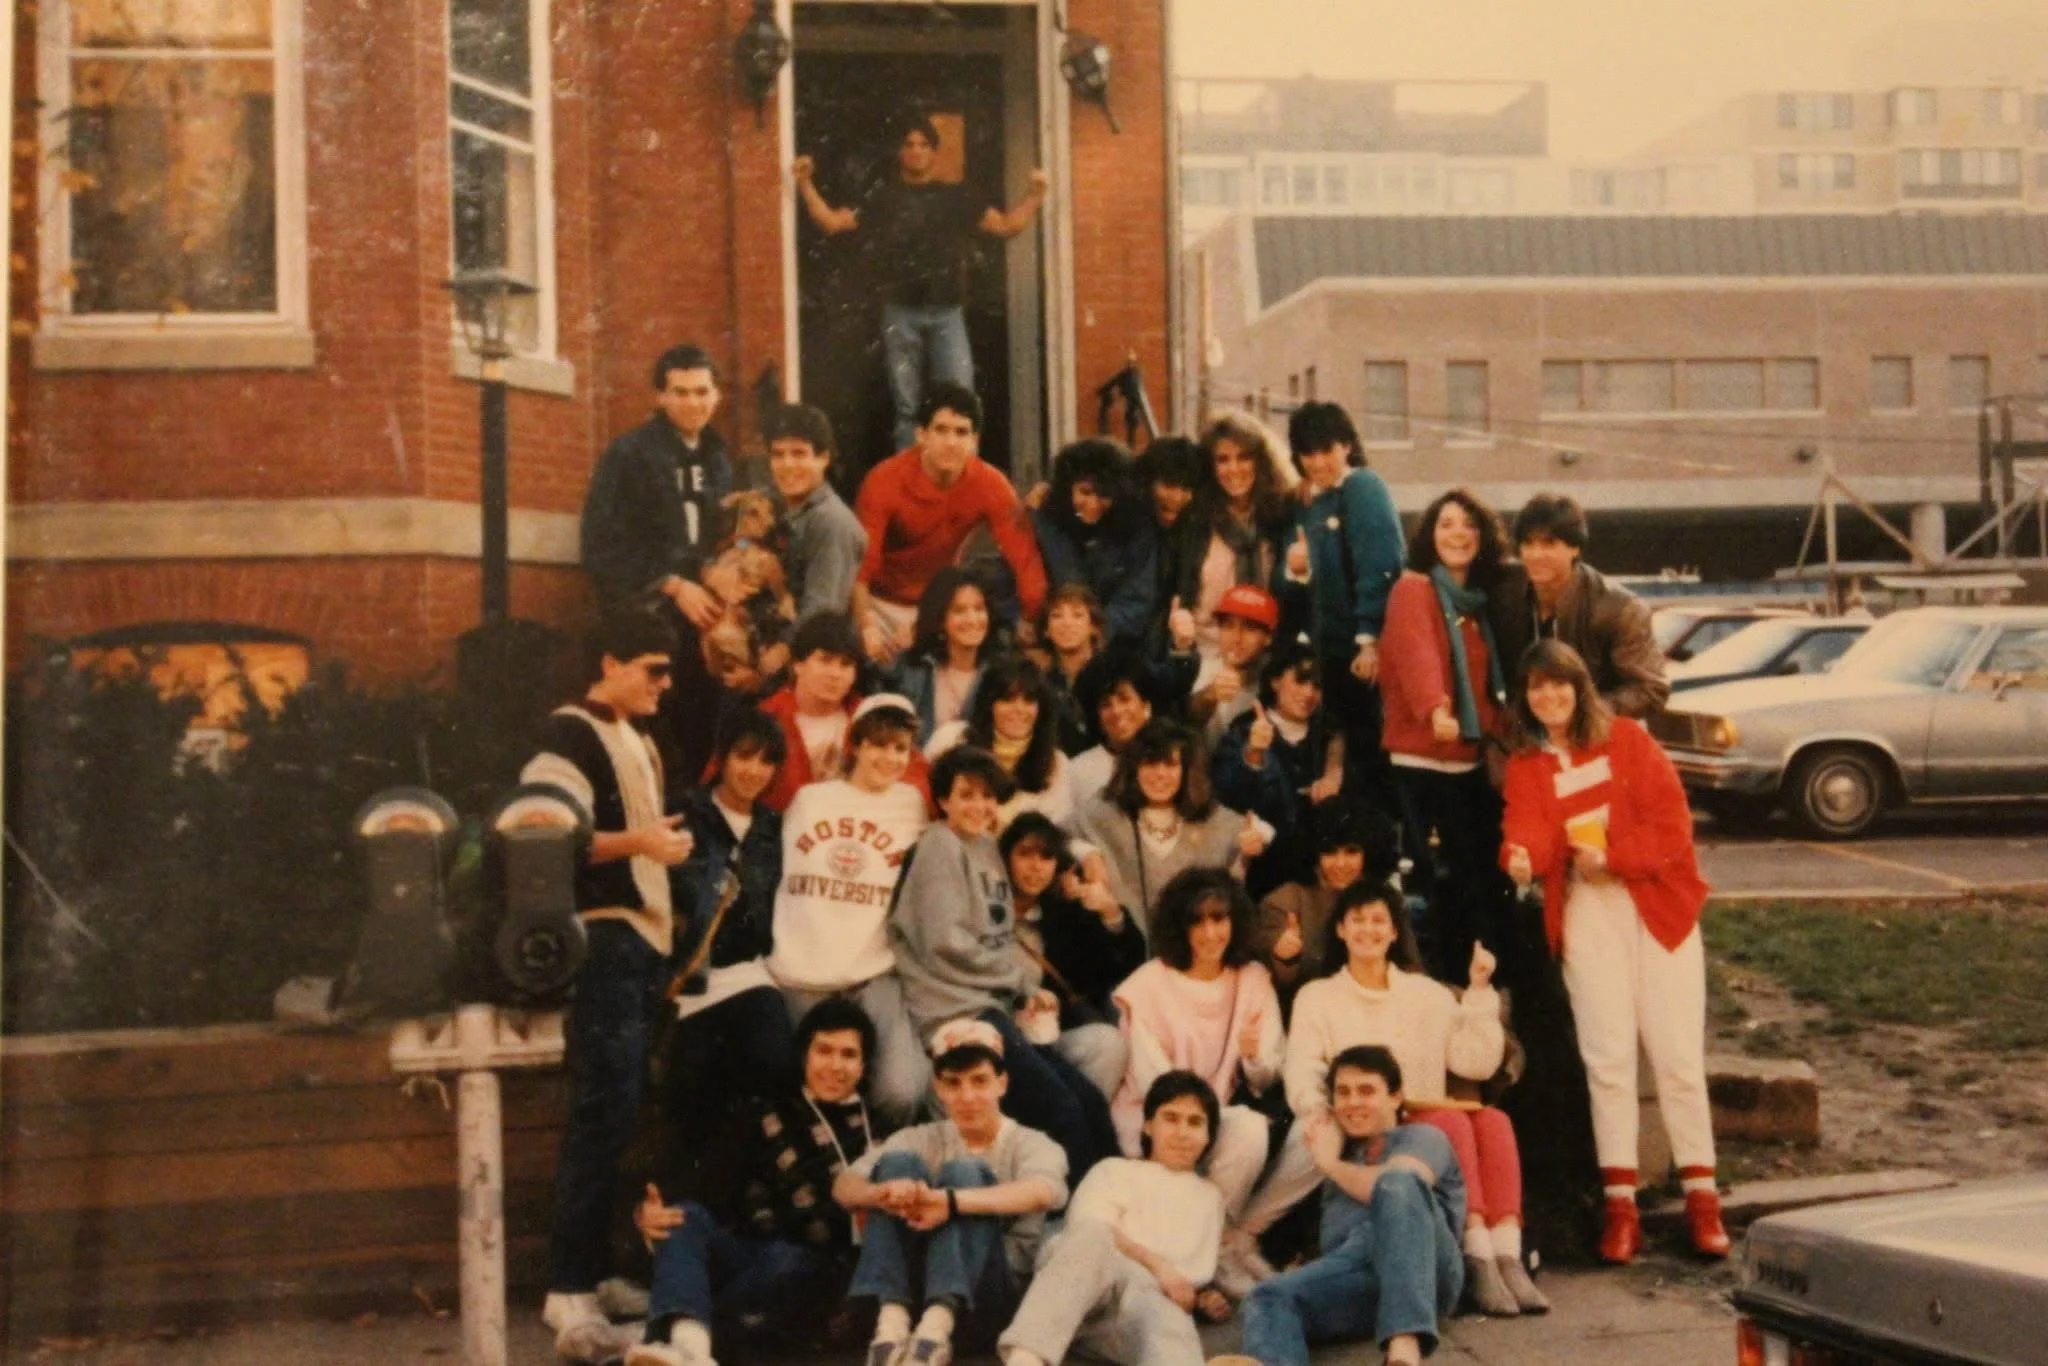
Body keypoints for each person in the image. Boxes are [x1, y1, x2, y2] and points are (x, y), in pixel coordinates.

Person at [1499, 639, 1727, 1263]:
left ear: (1579, 686)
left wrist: (1615, 857)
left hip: (1656, 906)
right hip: (1587, 913)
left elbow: (1672, 827)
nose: (1548, 697)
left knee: (1677, 1056)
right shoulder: (1527, 763)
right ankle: (1620, 1208)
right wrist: (1520, 857)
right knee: (1607, 1060)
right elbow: (1527, 830)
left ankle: (1704, 1203)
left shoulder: (1628, 740)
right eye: (1536, 687)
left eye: (1559, 684)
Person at [522, 609, 697, 1364]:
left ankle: (596, 1272)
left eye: (669, 670)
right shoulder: (567, 734)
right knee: (604, 1109)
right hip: (606, 940)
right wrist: (642, 843)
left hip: (645, 945)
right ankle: (568, 1287)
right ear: (608, 662)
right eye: (652, 669)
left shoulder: (642, 738)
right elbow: (541, 835)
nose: (665, 683)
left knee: (628, 1111)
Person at [1282, 882, 1545, 1317]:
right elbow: (1302, 1068)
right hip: (1367, 1122)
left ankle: (1507, 1254)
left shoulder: (1426, 994)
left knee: (1494, 1121)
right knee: (1451, 1122)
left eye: (1378, 920)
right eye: (1358, 920)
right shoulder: (1318, 996)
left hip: (1427, 1118)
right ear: (1342, 930)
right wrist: (1321, 1111)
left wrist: (1479, 991)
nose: (1368, 929)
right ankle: (1475, 1253)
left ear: (1393, 932)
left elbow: (1475, 1063)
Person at [890, 746, 1116, 1181]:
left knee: (1087, 1098)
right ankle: (1074, 1217)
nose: (979, 806)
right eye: (966, 795)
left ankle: (1118, 1196)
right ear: (943, 799)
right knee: (1061, 1108)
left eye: (988, 796)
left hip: (991, 1005)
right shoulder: (940, 844)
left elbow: (1037, 851)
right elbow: (946, 943)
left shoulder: (988, 848)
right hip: (954, 1008)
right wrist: (1017, 981)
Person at [626, 999, 880, 1366]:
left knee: (789, 1262)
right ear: (804, 1055)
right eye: (823, 1050)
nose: (835, 1065)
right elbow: (703, 1184)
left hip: (819, 1279)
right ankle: (690, 1350)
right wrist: (647, 1213)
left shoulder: (880, 1131)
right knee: (684, 1216)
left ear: (863, 1065)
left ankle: (674, 1328)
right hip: (750, 1260)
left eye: (848, 1054)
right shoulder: (764, 1114)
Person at [1108, 869, 1321, 1301]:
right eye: (1198, 921)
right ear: (1180, 927)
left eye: (1219, 919)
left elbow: (1266, 1075)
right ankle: (1213, 1256)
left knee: (1320, 1135)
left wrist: (1252, 1056)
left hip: (1222, 1129)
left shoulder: (1253, 978)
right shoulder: (1149, 982)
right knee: (1244, 1127)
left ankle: (1230, 1239)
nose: (1210, 933)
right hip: (1160, 1124)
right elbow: (1158, 1088)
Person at [793, 117, 1049, 450]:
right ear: (899, 152)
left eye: (924, 144)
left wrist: (1036, 195)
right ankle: (909, 481)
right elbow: (831, 223)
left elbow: (1005, 226)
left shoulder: (956, 196)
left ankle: (962, 479)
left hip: (947, 313)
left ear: (934, 152)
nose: (916, 151)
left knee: (961, 400)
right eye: (909, 144)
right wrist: (805, 183)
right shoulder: (882, 197)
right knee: (907, 407)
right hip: (900, 314)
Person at [835, 1019, 1068, 1366]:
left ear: (1001, 1083)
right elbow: (845, 1186)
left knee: (964, 1173)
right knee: (897, 1163)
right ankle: (891, 1327)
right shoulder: (921, 1137)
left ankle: (934, 1331)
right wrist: (884, 1193)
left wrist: (949, 1201)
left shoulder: (1032, 1143)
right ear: (938, 1088)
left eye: (980, 1081)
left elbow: (1042, 1192)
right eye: (953, 1084)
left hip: (989, 1298)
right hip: (915, 1291)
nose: (967, 1097)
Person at [1238, 1046, 1466, 1366]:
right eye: (1342, 1092)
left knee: (1396, 1181)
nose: (1353, 1101)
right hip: (1357, 1277)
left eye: (1366, 1090)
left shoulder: (1423, 1136)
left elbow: (1393, 1186)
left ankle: (1404, 1348)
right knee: (1267, 1295)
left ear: (1396, 1097)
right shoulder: (1340, 1154)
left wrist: (1329, 1164)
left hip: (1427, 1271)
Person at [768, 694, 933, 1126]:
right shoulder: (809, 800)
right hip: (802, 975)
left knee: (902, 1092)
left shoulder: (913, 805)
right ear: (855, 745)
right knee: (799, 1098)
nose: (890, 757)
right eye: (879, 744)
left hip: (871, 972)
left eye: (900, 748)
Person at [579, 344, 737, 785]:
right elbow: (599, 545)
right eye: (681, 392)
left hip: (703, 619)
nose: (693, 402)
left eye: (701, 391)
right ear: (660, 397)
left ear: (717, 395)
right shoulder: (628, 455)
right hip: (647, 618)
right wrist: (670, 584)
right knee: (649, 734)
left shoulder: (719, 460)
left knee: (705, 726)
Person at [997, 1071, 1230, 1366]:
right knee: (1093, 1237)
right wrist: (1160, 1267)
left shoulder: (1211, 1199)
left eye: (1195, 1122)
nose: (1183, 1132)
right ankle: (1025, 1359)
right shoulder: (1115, 1170)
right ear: (1148, 1126)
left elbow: (1189, 1275)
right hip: (1081, 1289)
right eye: (1171, 1118)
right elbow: (1090, 1231)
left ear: (1208, 1135)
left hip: (1144, 1305)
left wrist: (1202, 1296)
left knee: (1172, 1320)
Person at [1379, 487, 1516, 986]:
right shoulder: (1414, 589)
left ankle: (1478, 995)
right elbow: (1418, 655)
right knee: (1433, 891)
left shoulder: (1477, 605)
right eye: (1447, 524)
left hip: (1469, 766)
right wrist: (1435, 707)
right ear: (1429, 536)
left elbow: (1487, 689)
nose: (1459, 534)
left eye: (1470, 525)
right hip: (1423, 764)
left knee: (1475, 888)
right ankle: (1435, 992)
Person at [660, 710, 796, 1131]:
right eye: (743, 757)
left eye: (766, 761)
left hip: (747, 973)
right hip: (685, 977)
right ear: (721, 757)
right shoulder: (682, 812)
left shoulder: (774, 828)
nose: (754, 771)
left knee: (773, 1063)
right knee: (693, 1085)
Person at [852, 383, 1049, 663]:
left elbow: (1024, 559)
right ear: (921, 435)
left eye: (961, 432)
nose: (951, 442)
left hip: (939, 604)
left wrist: (1030, 623)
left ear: (974, 440)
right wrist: (868, 629)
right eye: (941, 430)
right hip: (877, 602)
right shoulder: (884, 480)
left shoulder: (990, 483)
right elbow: (859, 572)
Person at [1283, 401, 1406, 811]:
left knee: (1369, 751)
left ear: (1347, 446)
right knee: (1341, 747)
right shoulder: (1312, 501)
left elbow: (1380, 566)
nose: (1317, 461)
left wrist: (1368, 639)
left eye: (1325, 449)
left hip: (1364, 651)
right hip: (1331, 651)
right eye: (1307, 453)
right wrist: (1298, 570)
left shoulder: (1363, 486)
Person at [1070, 720, 1269, 934]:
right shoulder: (1106, 812)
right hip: (1125, 948)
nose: (1160, 774)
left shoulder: (1211, 817)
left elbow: (1260, 830)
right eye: (1150, 764)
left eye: (1170, 765)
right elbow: (1060, 834)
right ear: (1134, 766)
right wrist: (1086, 852)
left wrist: (1257, 841)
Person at [1487, 493, 1668, 720]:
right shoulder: (1506, 592)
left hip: (1599, 732)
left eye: (1549, 543)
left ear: (1575, 548)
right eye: (1528, 543)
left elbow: (1651, 689)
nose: (1536, 554)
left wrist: (1580, 716)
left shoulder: (1619, 608)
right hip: (1527, 736)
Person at [1001, 814, 1144, 1099]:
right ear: (1006, 859)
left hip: (1046, 1037)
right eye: (1025, 854)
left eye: (1046, 857)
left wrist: (1110, 913)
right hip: (996, 1033)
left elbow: (1123, 966)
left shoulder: (1061, 914)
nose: (1035, 867)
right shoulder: (984, 907)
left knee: (1108, 1043)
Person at [748, 612, 930, 814]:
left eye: (846, 664)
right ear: (797, 665)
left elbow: (921, 782)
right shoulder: (763, 718)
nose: (835, 674)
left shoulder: (873, 717)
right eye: (825, 660)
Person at [1212, 648, 1346, 899]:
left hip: (1317, 879)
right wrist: (1253, 753)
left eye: (1317, 685)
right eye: (1300, 680)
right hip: (1260, 871)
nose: (1309, 693)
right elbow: (1226, 793)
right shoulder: (1244, 727)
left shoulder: (1330, 734)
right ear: (1274, 681)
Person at [1175, 414, 1296, 687]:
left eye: (1244, 457)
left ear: (1260, 461)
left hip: (1268, 659)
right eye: (1223, 459)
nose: (1234, 468)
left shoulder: (1279, 516)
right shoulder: (1195, 520)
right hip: (1208, 657)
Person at [1254, 798, 1398, 1011]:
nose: (1340, 863)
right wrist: (1283, 958)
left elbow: (1410, 970)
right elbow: (1272, 990)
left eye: (1351, 851)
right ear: (1314, 854)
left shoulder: (1386, 900)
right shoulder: (1283, 902)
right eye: (1330, 852)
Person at [1032, 437, 1157, 647]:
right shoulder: (1045, 523)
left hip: (1115, 645)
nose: (1092, 503)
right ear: (1067, 488)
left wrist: (1094, 632)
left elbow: (1137, 598)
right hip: (1050, 641)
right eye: (1085, 492)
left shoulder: (1137, 530)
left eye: (1104, 495)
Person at [925, 655, 1073, 832]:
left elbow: (1057, 831)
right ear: (989, 704)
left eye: (1029, 701)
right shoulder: (951, 737)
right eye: (1007, 700)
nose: (1019, 709)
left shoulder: (1056, 764)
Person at [764, 403, 868, 623]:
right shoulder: (770, 503)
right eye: (778, 455)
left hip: (808, 648)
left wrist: (778, 652)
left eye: (799, 454)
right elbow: (741, 541)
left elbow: (820, 617)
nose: (787, 465)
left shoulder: (831, 521)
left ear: (823, 458)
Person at [891, 567, 996, 739]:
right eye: (959, 611)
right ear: (940, 619)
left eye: (979, 609)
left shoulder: (999, 674)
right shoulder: (914, 668)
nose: (972, 620)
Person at [1187, 584, 1279, 747]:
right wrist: (1211, 694)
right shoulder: (1199, 667)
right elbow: (1186, 720)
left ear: (1268, 637)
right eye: (1228, 626)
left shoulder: (1277, 681)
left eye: (1249, 628)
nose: (1237, 638)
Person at [1032, 583, 1106, 755]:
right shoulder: (1041, 684)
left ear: (1093, 627)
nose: (1067, 623)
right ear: (1046, 630)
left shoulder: (1110, 675)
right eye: (1056, 616)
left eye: (1077, 615)